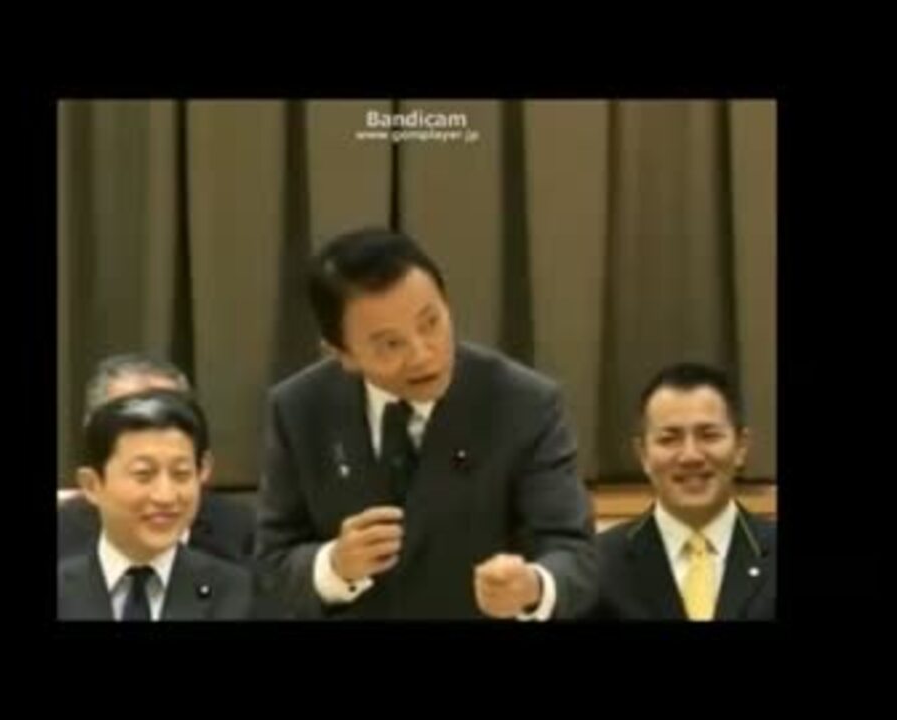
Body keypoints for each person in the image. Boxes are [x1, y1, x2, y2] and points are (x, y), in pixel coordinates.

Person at [254, 227, 597, 619]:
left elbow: (574, 555)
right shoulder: (300, 409)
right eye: (390, 344)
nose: (422, 354)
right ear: (342, 353)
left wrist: (532, 586)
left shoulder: (523, 403)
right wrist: (333, 566)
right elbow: (271, 566)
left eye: (430, 323)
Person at [595, 362, 776, 620]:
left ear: (741, 447)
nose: (691, 456)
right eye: (669, 439)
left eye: (709, 435)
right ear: (643, 454)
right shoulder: (597, 565)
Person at [58, 390, 253, 620]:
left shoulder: (243, 595)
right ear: (92, 485)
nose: (165, 496)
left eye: (181, 474)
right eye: (144, 474)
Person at [58, 354, 256, 564]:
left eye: (168, 414)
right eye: (131, 420)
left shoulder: (246, 537)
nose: (164, 496)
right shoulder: (63, 538)